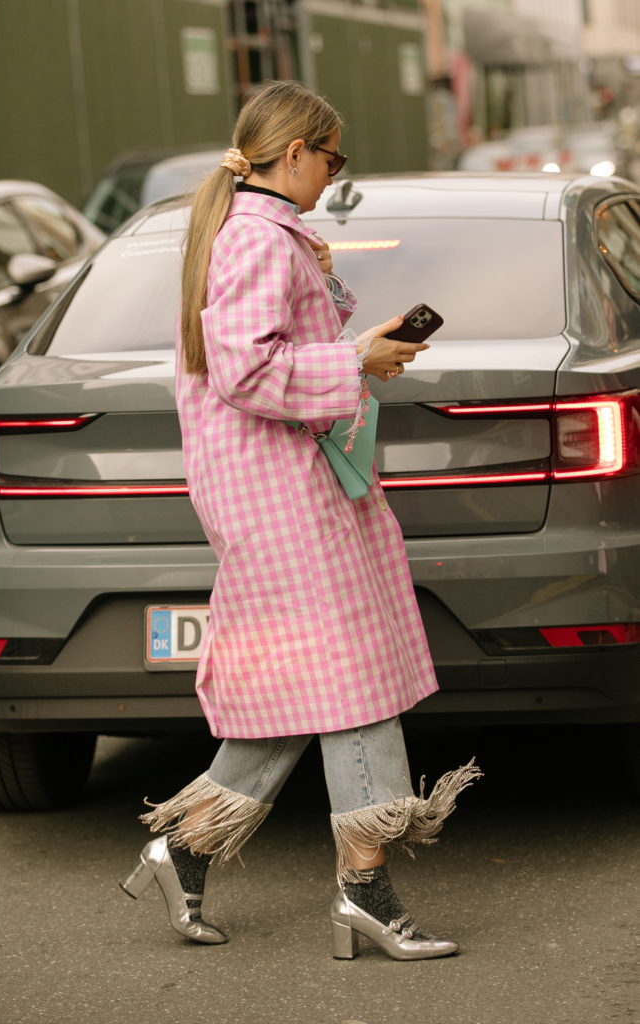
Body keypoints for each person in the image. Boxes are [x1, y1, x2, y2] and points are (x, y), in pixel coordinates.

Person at [120, 80, 481, 961]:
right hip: (280, 493)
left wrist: (352, 337)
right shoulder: (254, 237)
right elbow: (246, 372)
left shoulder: (264, 235)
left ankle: (185, 848)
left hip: (286, 488)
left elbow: (271, 352)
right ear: (295, 154)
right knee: (353, 683)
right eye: (332, 156)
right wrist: (355, 356)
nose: (333, 171)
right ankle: (364, 894)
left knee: (307, 690)